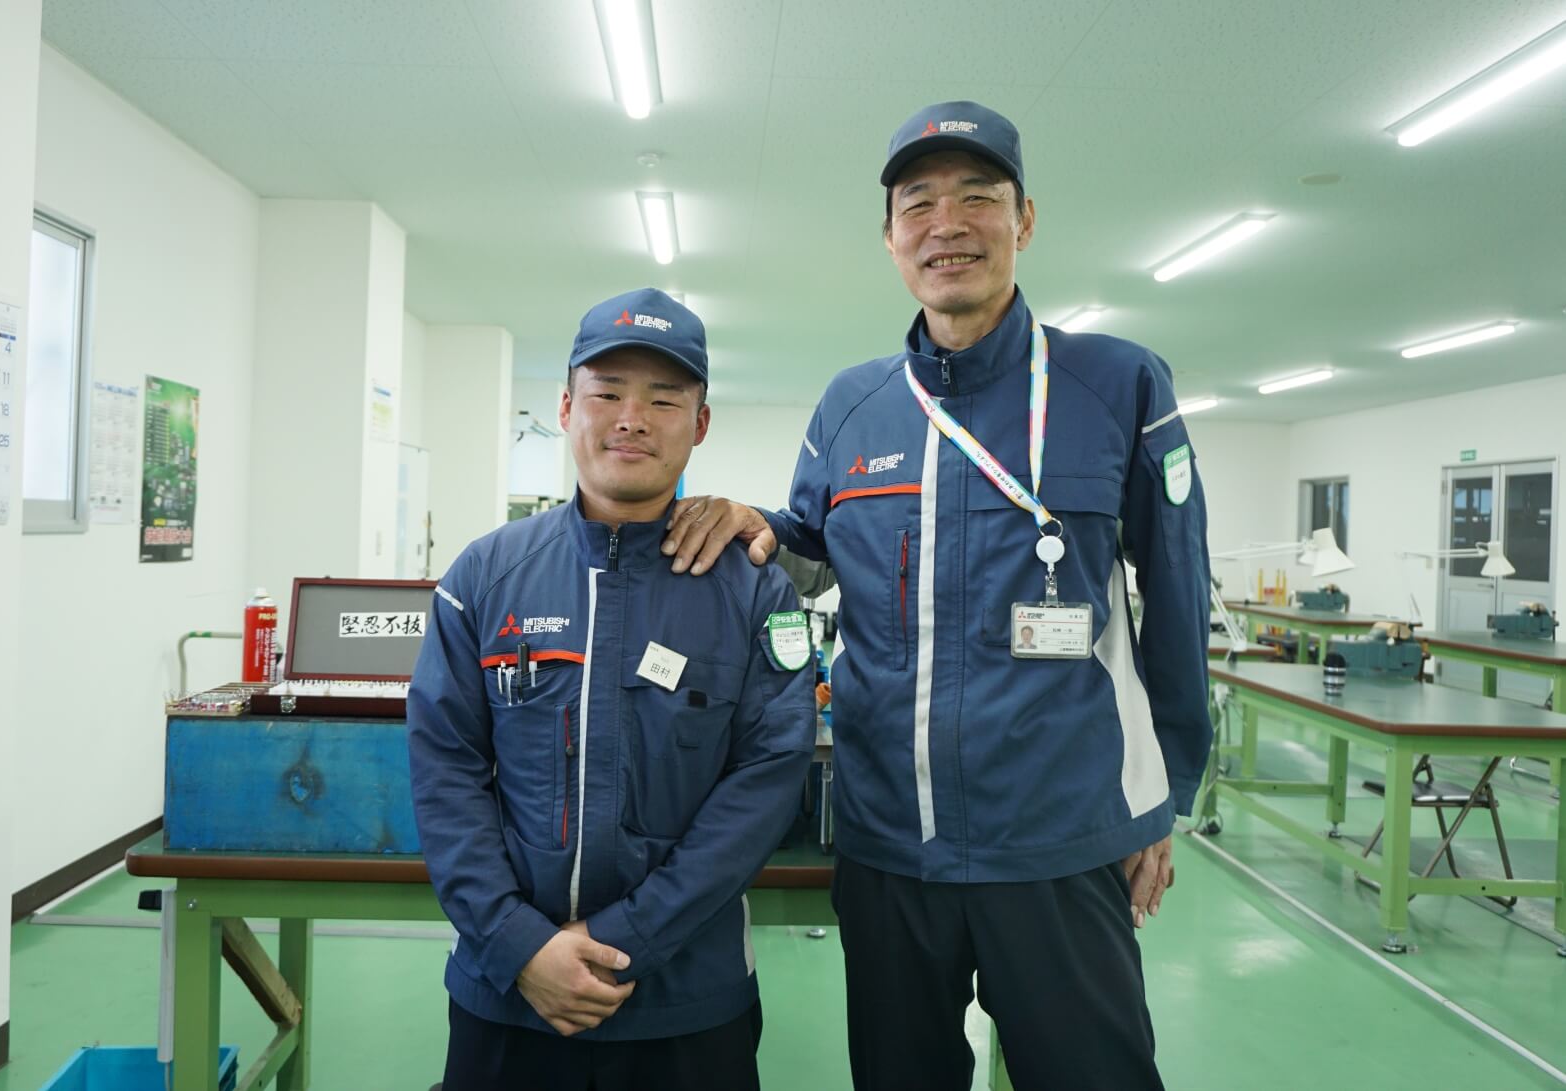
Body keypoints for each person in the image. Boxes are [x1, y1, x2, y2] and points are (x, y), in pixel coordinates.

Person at [660, 102, 1213, 1090]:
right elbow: (809, 544)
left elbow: (1175, 600)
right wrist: (747, 521)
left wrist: (1164, 796)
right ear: (889, 236)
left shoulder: (1117, 384)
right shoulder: (853, 404)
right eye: (917, 204)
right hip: (891, 846)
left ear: (1024, 219)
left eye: (976, 198)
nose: (946, 224)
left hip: (1059, 843)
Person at [408, 288, 816, 1091]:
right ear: (566, 407)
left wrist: (629, 936)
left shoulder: (754, 591)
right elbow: (444, 771)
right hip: (508, 996)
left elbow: (766, 780)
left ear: (700, 423)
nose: (632, 419)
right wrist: (518, 944)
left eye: (664, 399)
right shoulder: (483, 578)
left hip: (688, 1001)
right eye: (606, 394)